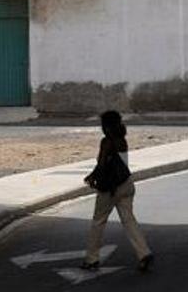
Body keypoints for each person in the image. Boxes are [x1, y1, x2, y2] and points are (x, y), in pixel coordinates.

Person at [82, 110, 154, 272]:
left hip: (110, 188)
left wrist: (93, 177)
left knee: (98, 222)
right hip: (127, 184)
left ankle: (92, 259)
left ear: (106, 127)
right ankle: (144, 253)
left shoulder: (106, 142)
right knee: (129, 221)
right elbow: (115, 162)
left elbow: (102, 165)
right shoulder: (122, 140)